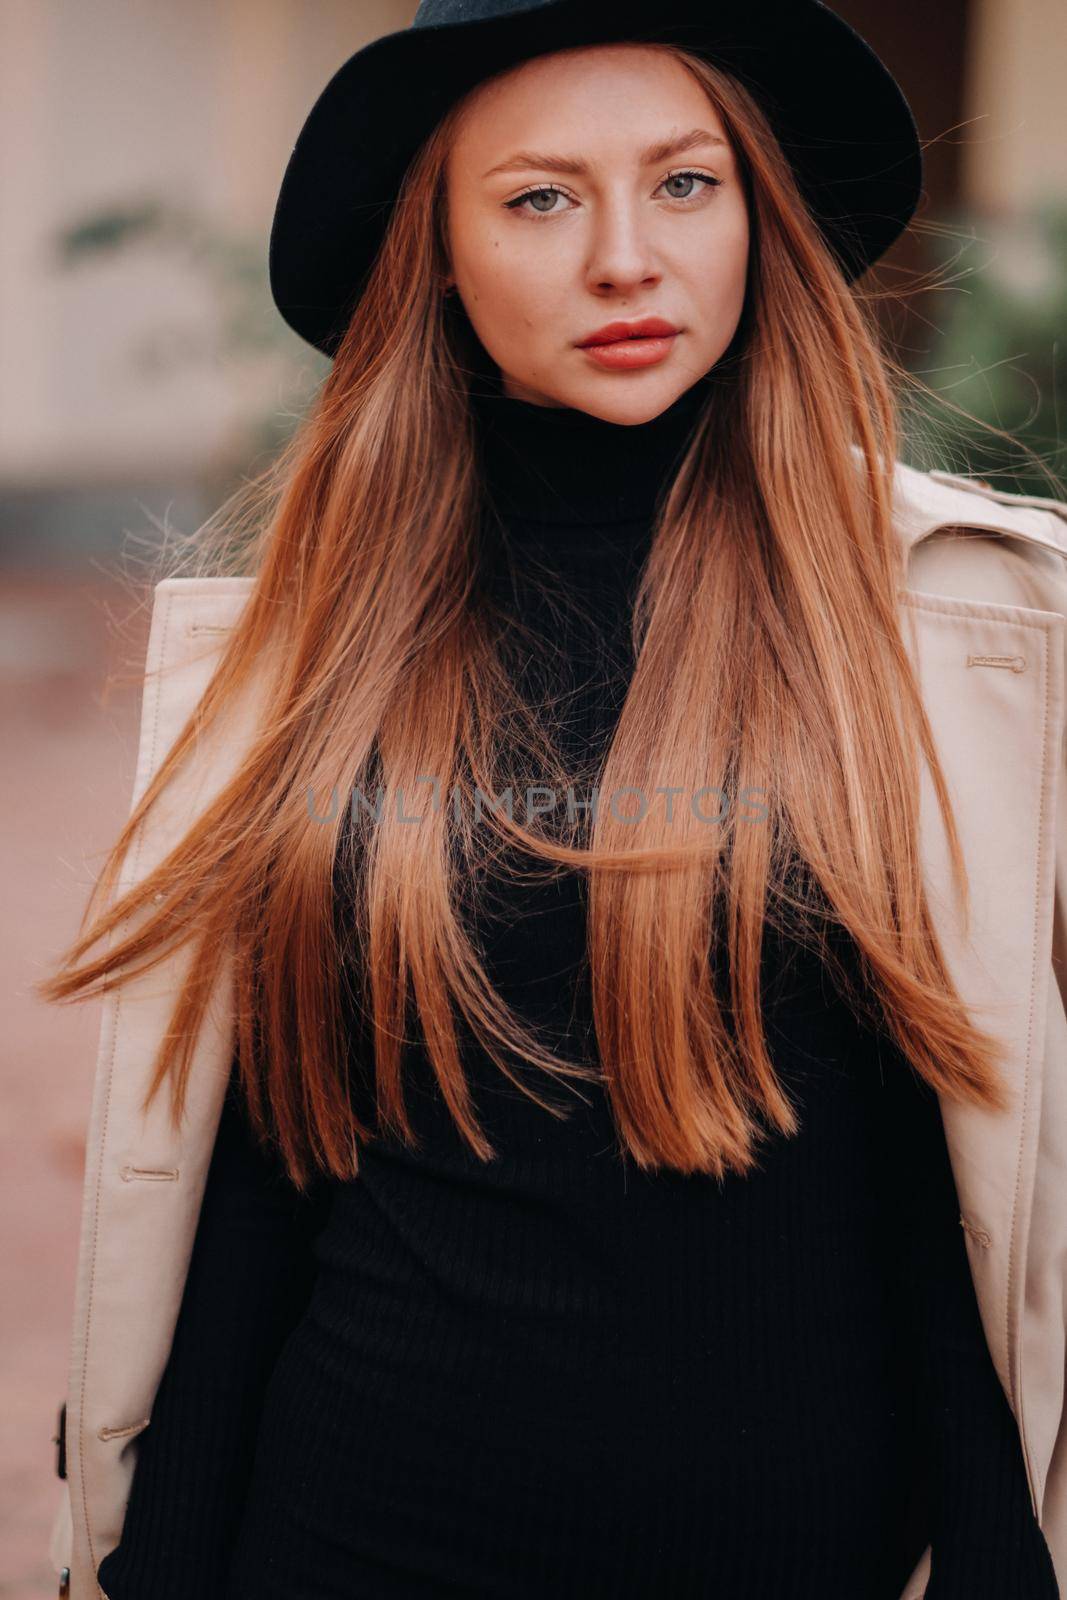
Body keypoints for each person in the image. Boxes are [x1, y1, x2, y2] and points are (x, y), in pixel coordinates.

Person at [42, 3, 1067, 1597]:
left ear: (759, 215)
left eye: (683, 183)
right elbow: (270, 1162)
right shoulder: (325, 639)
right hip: (347, 1531)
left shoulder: (952, 627)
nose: (625, 261)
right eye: (538, 198)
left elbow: (959, 1184)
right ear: (436, 256)